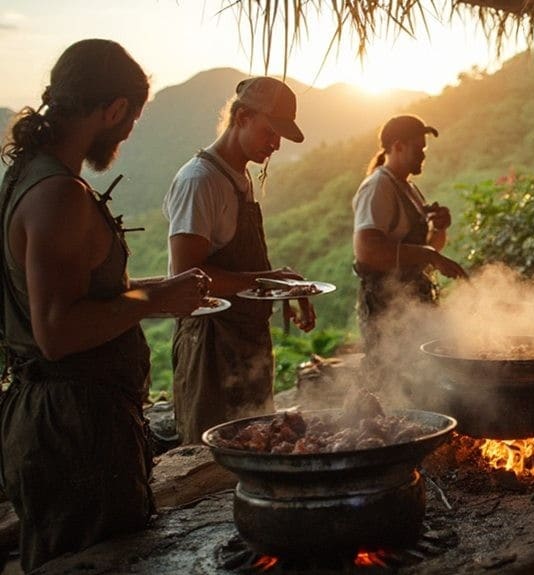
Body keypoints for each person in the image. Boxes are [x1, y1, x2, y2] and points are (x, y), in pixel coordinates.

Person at [0, 40, 209, 571]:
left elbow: (76, 292)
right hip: (76, 433)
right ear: (114, 110)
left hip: (62, 422)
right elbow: (57, 330)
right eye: (132, 118)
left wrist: (158, 289)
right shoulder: (59, 195)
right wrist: (155, 298)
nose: (128, 132)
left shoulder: (29, 176)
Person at [163, 77, 316, 444]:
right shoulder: (200, 181)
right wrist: (267, 280)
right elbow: (188, 276)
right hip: (212, 348)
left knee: (257, 446)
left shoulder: (240, 177)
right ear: (243, 116)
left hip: (246, 342)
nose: (276, 144)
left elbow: (240, 268)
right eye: (271, 131)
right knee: (212, 457)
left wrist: (285, 284)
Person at [352, 115, 467, 382]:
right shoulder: (378, 186)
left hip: (413, 302)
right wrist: (429, 255)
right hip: (386, 306)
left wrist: (439, 229)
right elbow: (367, 250)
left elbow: (429, 248)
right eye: (418, 149)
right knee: (393, 379)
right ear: (398, 146)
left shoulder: (408, 187)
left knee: (422, 378)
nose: (423, 155)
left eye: (424, 149)